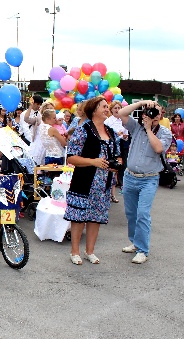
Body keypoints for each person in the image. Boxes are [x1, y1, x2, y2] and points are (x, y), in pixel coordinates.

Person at [64, 97, 121, 266]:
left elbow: (117, 156)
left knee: (96, 217)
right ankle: (75, 251)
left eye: (107, 106)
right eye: (103, 106)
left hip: (103, 184)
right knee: (79, 217)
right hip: (84, 181)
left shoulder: (110, 131)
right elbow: (71, 157)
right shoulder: (83, 130)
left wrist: (115, 165)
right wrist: (93, 161)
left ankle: (90, 251)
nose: (107, 109)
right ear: (94, 109)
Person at [117, 99, 172, 264]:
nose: (153, 114)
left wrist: (149, 128)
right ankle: (134, 242)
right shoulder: (136, 127)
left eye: (157, 112)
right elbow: (121, 113)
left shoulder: (164, 132)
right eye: (150, 111)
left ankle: (142, 250)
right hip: (130, 176)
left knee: (143, 214)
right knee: (131, 213)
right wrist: (142, 103)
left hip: (149, 179)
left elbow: (158, 148)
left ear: (161, 115)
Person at [104, 100, 130, 199]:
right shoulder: (108, 121)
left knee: (123, 164)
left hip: (123, 144)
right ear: (111, 110)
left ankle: (121, 183)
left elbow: (126, 134)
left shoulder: (124, 120)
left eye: (119, 108)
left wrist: (125, 136)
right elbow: (107, 135)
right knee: (113, 166)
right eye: (115, 108)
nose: (117, 110)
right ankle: (110, 189)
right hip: (113, 145)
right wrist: (117, 135)